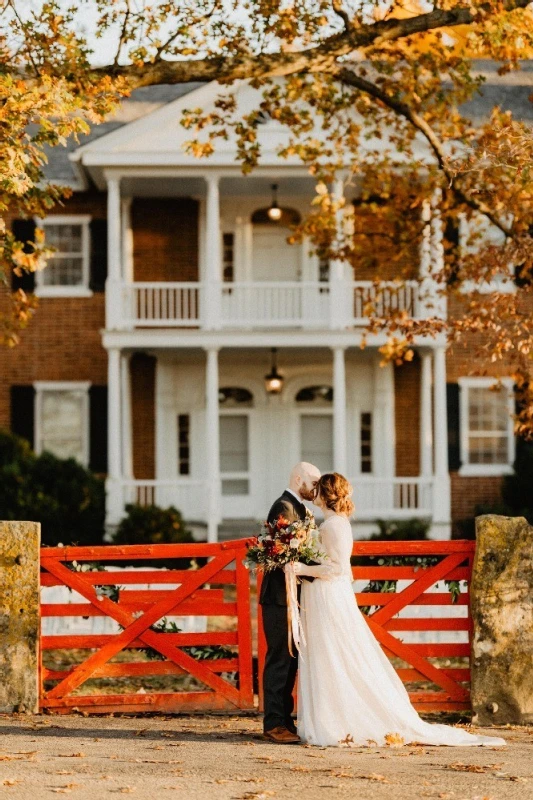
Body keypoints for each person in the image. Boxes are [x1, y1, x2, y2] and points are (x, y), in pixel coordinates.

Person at [290, 472, 506, 748]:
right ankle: (331, 715)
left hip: (329, 595)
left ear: (327, 494)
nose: (314, 492)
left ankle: (338, 719)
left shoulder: (333, 526)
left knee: (335, 652)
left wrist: (302, 568)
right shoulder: (333, 523)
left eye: (318, 488)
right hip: (324, 594)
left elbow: (338, 569)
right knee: (328, 653)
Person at [259, 461, 322, 744]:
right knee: (279, 660)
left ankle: (285, 720)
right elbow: (280, 553)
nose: (317, 488)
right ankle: (273, 724)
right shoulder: (284, 507)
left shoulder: (301, 509)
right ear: (298, 479)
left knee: (291, 661)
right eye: (313, 482)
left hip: (292, 596)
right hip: (278, 598)